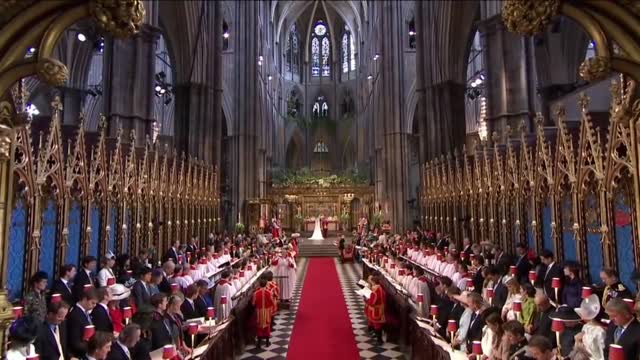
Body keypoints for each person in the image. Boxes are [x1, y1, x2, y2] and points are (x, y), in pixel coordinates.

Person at [68, 288, 99, 358]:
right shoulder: (76, 315)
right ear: (85, 299)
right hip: (79, 355)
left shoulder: (85, 313)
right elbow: (75, 342)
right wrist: (93, 348)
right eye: (93, 303)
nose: (94, 306)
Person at [574, 294, 606, 360]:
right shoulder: (585, 326)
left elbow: (603, 356)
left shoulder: (600, 331)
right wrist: (577, 341)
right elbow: (582, 349)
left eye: (584, 310)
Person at [253, 277, 276, 348]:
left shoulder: (256, 293)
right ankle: (267, 342)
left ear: (259, 285)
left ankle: (259, 344)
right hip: (267, 311)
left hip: (259, 311)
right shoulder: (269, 293)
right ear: (266, 284)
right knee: (267, 326)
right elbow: (272, 302)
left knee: (259, 327)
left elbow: (253, 303)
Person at [365, 275, 386, 344]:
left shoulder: (375, 291)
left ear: (373, 282)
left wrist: (367, 300)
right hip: (381, 308)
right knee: (378, 324)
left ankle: (379, 340)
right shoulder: (380, 288)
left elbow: (371, 303)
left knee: (377, 325)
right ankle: (378, 338)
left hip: (375, 311)